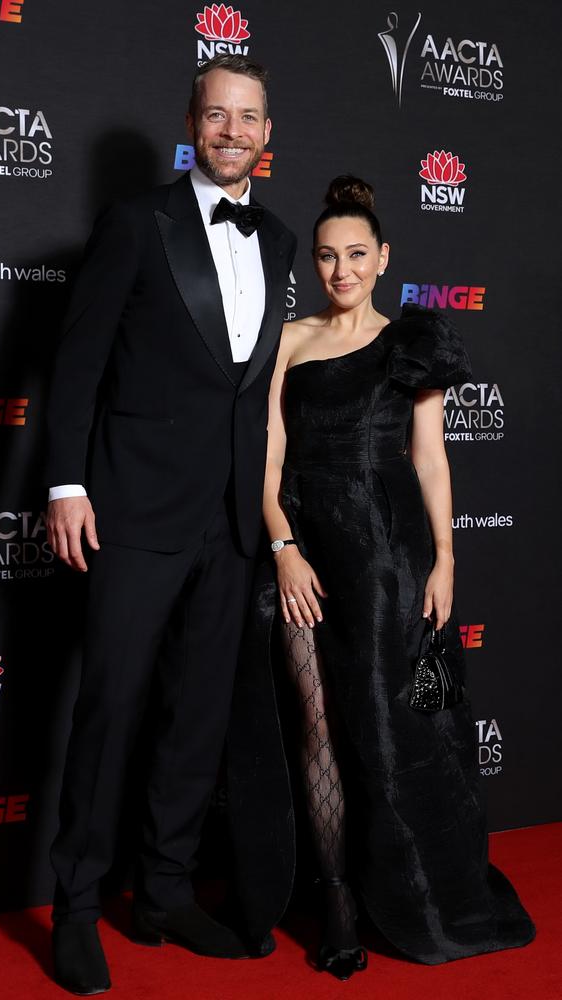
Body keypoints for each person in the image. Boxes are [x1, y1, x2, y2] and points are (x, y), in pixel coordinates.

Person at [227, 175, 535, 981]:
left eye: (357, 255)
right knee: (316, 721)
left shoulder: (413, 342)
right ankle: (334, 901)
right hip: (304, 546)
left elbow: (430, 458)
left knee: (393, 723)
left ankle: (406, 884)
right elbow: (265, 462)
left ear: (384, 256)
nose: (342, 271)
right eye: (328, 256)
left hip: (388, 553)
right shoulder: (288, 341)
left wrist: (446, 558)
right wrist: (285, 546)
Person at [44, 54, 296, 995]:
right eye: (218, 115)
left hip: (229, 522)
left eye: (250, 118)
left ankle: (164, 891)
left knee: (195, 719)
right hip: (133, 511)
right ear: (192, 122)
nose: (233, 131)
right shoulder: (134, 223)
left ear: (270, 136)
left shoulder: (277, 240)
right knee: (110, 711)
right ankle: (75, 909)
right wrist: (67, 485)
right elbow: (76, 368)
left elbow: (253, 389)